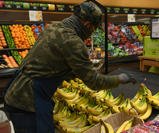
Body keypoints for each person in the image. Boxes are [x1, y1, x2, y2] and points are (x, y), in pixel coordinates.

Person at [4, 1, 137, 133]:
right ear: (87, 24)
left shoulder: (53, 28)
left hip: (16, 90)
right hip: (28, 101)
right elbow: (94, 82)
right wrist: (119, 78)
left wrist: (75, 71)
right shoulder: (73, 42)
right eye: (93, 29)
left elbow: (53, 62)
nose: (90, 34)